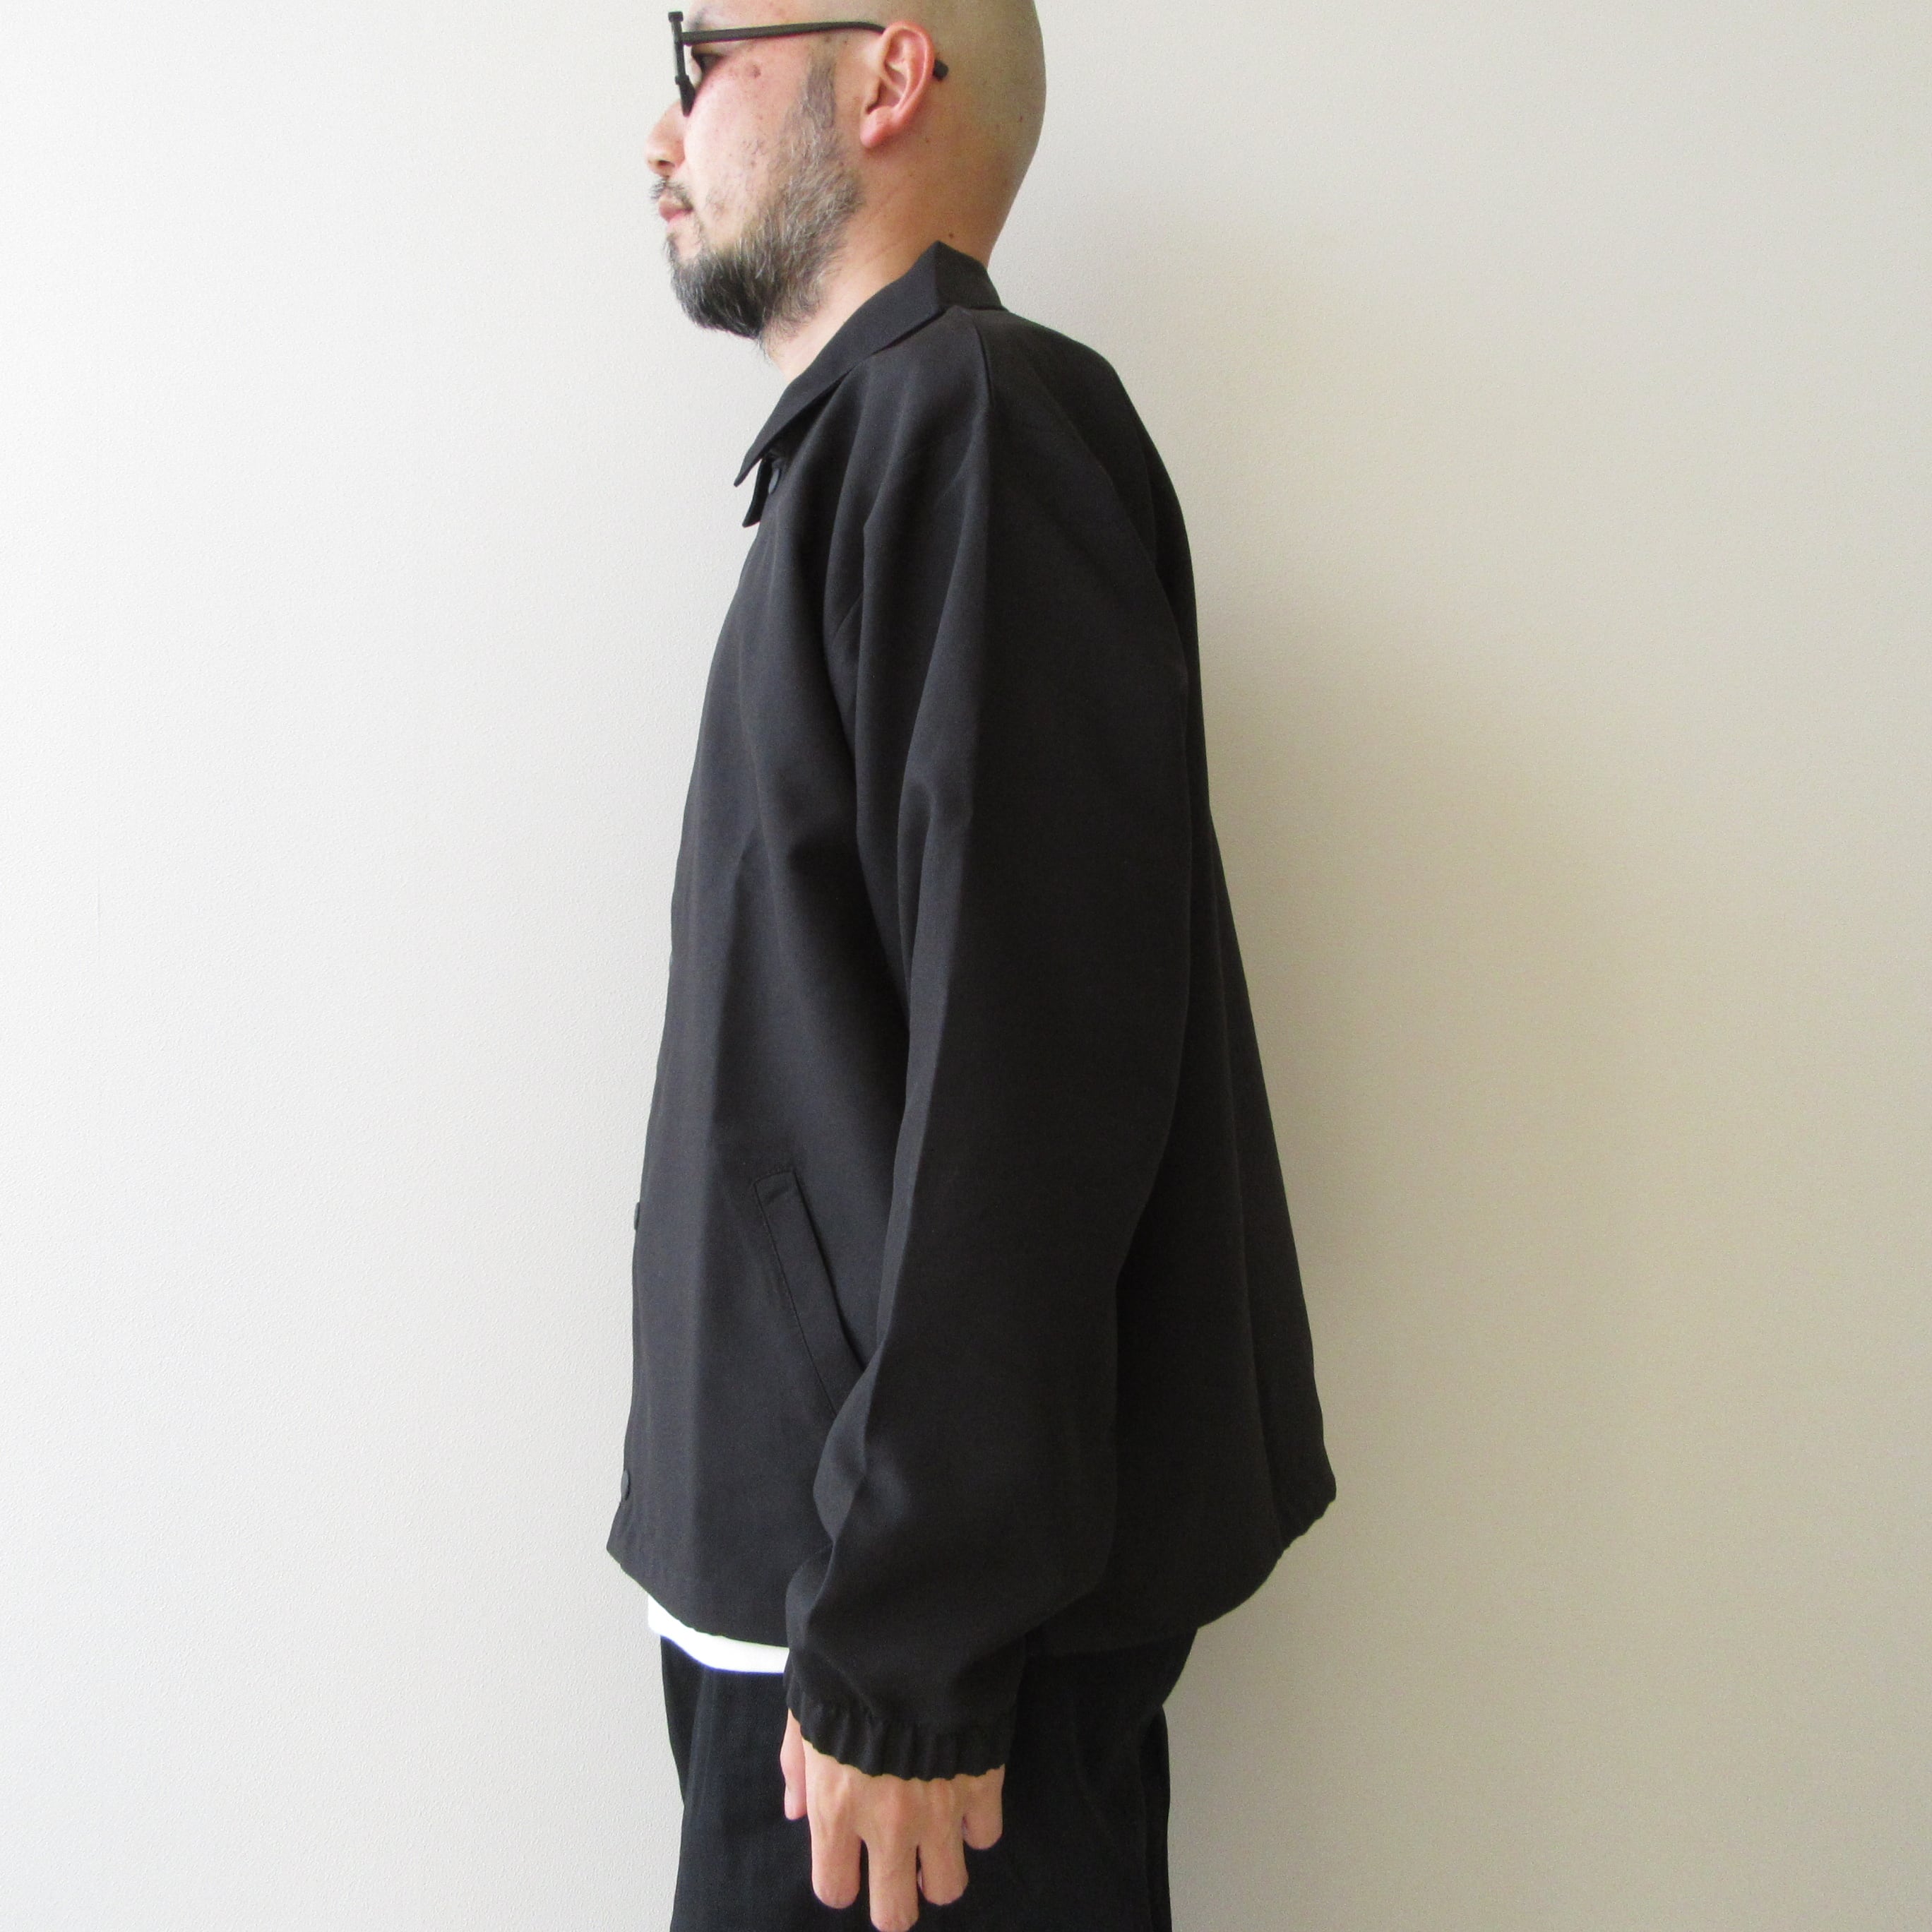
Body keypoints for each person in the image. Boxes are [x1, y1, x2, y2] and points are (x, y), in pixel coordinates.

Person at [607, 5, 1335, 1926]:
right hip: (827, 1630)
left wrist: (909, 1645)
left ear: (888, 72)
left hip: (898, 1692)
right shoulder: (877, 451)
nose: (661, 133)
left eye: (702, 57)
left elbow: (1037, 1071)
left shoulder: (971, 423)